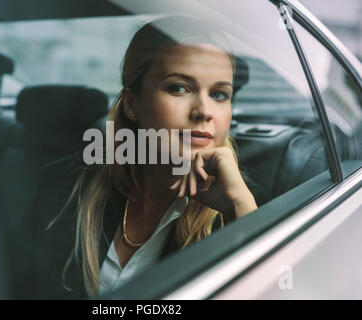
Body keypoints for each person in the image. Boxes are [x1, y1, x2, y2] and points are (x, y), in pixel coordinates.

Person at [21, 15, 257, 299]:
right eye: (178, 88)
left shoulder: (246, 207)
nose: (204, 111)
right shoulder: (67, 185)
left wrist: (239, 210)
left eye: (219, 94)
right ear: (133, 103)